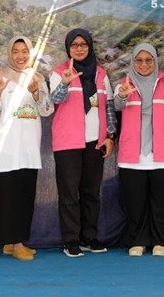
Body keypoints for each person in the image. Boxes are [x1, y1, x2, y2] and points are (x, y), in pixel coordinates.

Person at [0, 36, 54, 261]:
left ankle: (12, 242)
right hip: (5, 150)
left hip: (28, 149)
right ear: (9, 53)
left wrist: (36, 92)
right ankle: (16, 243)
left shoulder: (38, 79)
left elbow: (47, 110)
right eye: (15, 51)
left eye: (25, 51)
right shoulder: (1, 78)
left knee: (24, 196)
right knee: (6, 197)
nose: (20, 56)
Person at [49, 28, 117, 257]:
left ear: (90, 46)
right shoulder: (59, 72)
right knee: (69, 194)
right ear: (68, 48)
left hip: (95, 142)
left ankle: (89, 237)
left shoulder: (101, 74)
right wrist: (65, 83)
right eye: (74, 45)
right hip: (68, 142)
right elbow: (55, 100)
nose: (79, 49)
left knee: (91, 193)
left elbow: (109, 107)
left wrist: (110, 136)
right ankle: (71, 240)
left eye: (83, 44)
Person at [114, 43, 164, 257]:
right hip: (131, 154)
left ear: (155, 61)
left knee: (161, 202)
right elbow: (116, 106)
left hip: (162, 153)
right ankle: (138, 241)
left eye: (148, 60)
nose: (144, 64)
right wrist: (123, 95)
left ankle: (160, 241)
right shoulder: (123, 85)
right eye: (139, 60)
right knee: (135, 203)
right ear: (133, 62)